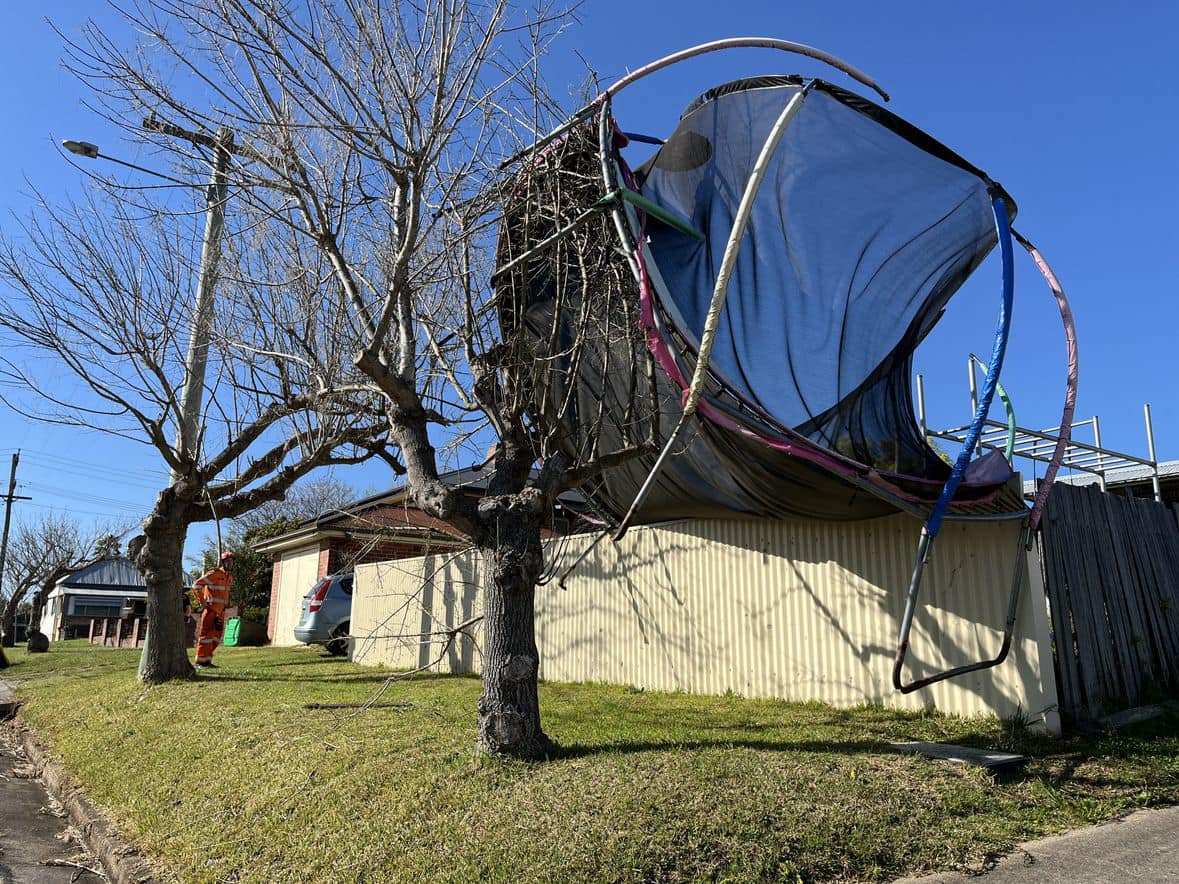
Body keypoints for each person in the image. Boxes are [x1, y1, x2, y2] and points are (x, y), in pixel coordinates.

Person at [192, 550, 237, 668]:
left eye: (232, 561)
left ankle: (207, 660)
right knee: (205, 636)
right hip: (210, 610)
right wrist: (203, 603)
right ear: (223, 562)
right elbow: (196, 585)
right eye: (228, 561)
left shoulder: (229, 577)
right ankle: (200, 662)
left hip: (220, 612)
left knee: (216, 638)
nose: (230, 564)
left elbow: (224, 594)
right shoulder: (214, 574)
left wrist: (228, 605)